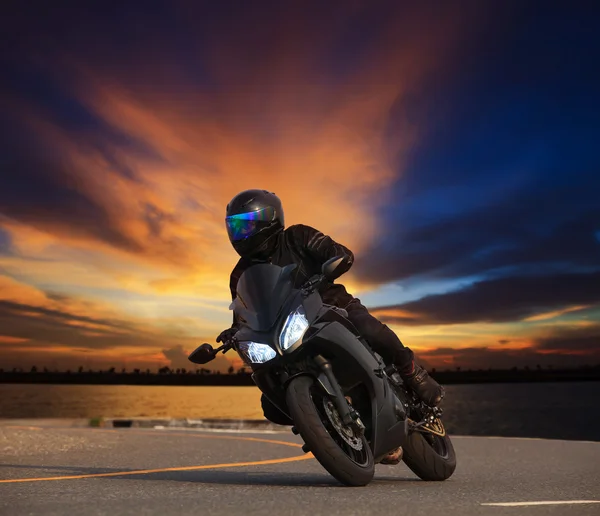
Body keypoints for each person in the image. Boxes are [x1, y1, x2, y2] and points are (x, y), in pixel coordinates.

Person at [217, 189, 444, 427]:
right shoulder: (240, 274)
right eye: (234, 227)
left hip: (332, 305)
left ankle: (412, 373)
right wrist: (234, 332)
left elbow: (337, 253)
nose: (240, 233)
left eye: (246, 225)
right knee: (271, 405)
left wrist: (335, 262)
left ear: (268, 219)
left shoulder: (298, 236)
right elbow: (243, 313)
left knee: (370, 330)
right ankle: (328, 426)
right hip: (288, 332)